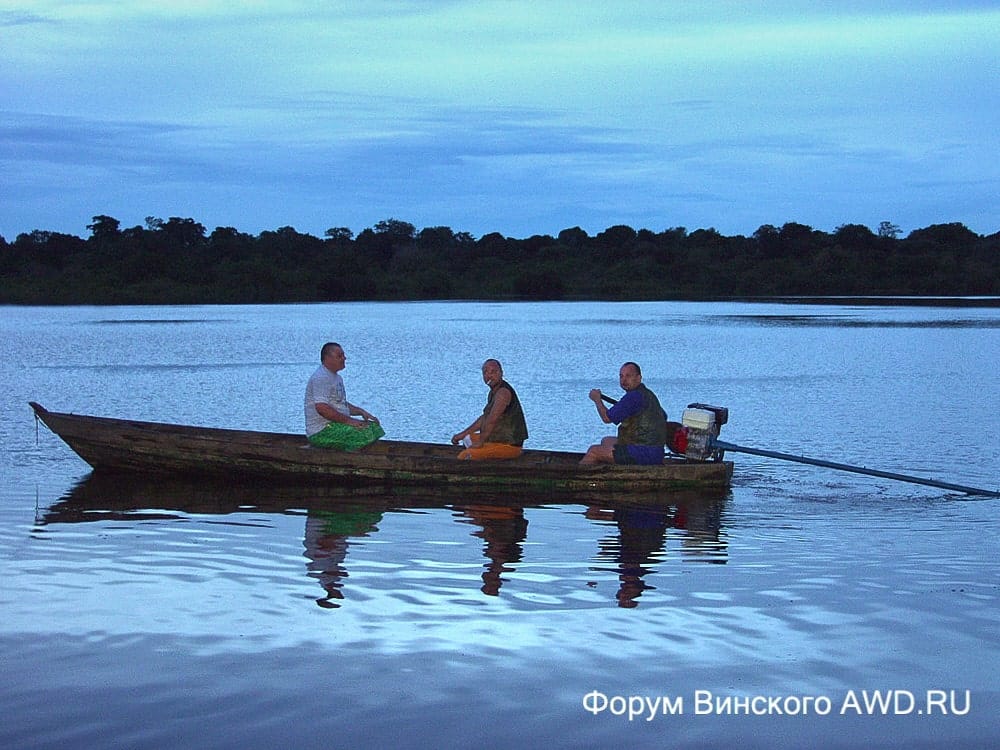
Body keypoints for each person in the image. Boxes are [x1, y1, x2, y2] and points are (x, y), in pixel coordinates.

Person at [580, 361, 667, 465]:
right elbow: (664, 416)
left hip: (645, 452)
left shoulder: (633, 397)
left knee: (593, 451)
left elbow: (607, 418)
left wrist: (597, 400)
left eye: (628, 376)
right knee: (606, 441)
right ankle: (614, 470)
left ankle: (576, 478)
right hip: (655, 450)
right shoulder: (647, 394)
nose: (624, 380)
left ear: (639, 378)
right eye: (621, 376)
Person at [304, 342, 385, 450]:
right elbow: (322, 408)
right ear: (327, 358)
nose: (344, 358)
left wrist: (361, 412)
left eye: (343, 355)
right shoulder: (321, 377)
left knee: (374, 427)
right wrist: (351, 421)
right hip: (322, 430)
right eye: (340, 356)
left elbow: (340, 403)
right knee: (365, 434)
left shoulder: (336, 378)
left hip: (337, 425)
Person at [451, 358, 528, 460]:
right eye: (485, 372)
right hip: (497, 439)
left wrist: (480, 442)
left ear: (501, 373)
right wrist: (461, 435)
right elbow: (484, 418)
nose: (489, 375)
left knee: (464, 456)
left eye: (493, 372)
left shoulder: (503, 393)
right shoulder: (493, 392)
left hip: (509, 445)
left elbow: (492, 420)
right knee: (467, 438)